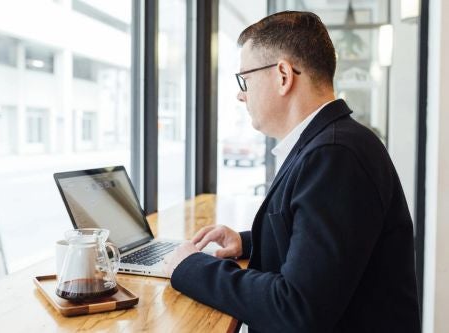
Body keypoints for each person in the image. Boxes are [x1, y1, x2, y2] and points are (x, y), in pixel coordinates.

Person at [163, 11, 421, 333]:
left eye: (246, 79)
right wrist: (247, 243)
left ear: (283, 75)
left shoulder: (335, 155)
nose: (240, 94)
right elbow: (319, 247)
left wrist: (191, 267)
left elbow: (296, 308)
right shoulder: (330, 143)